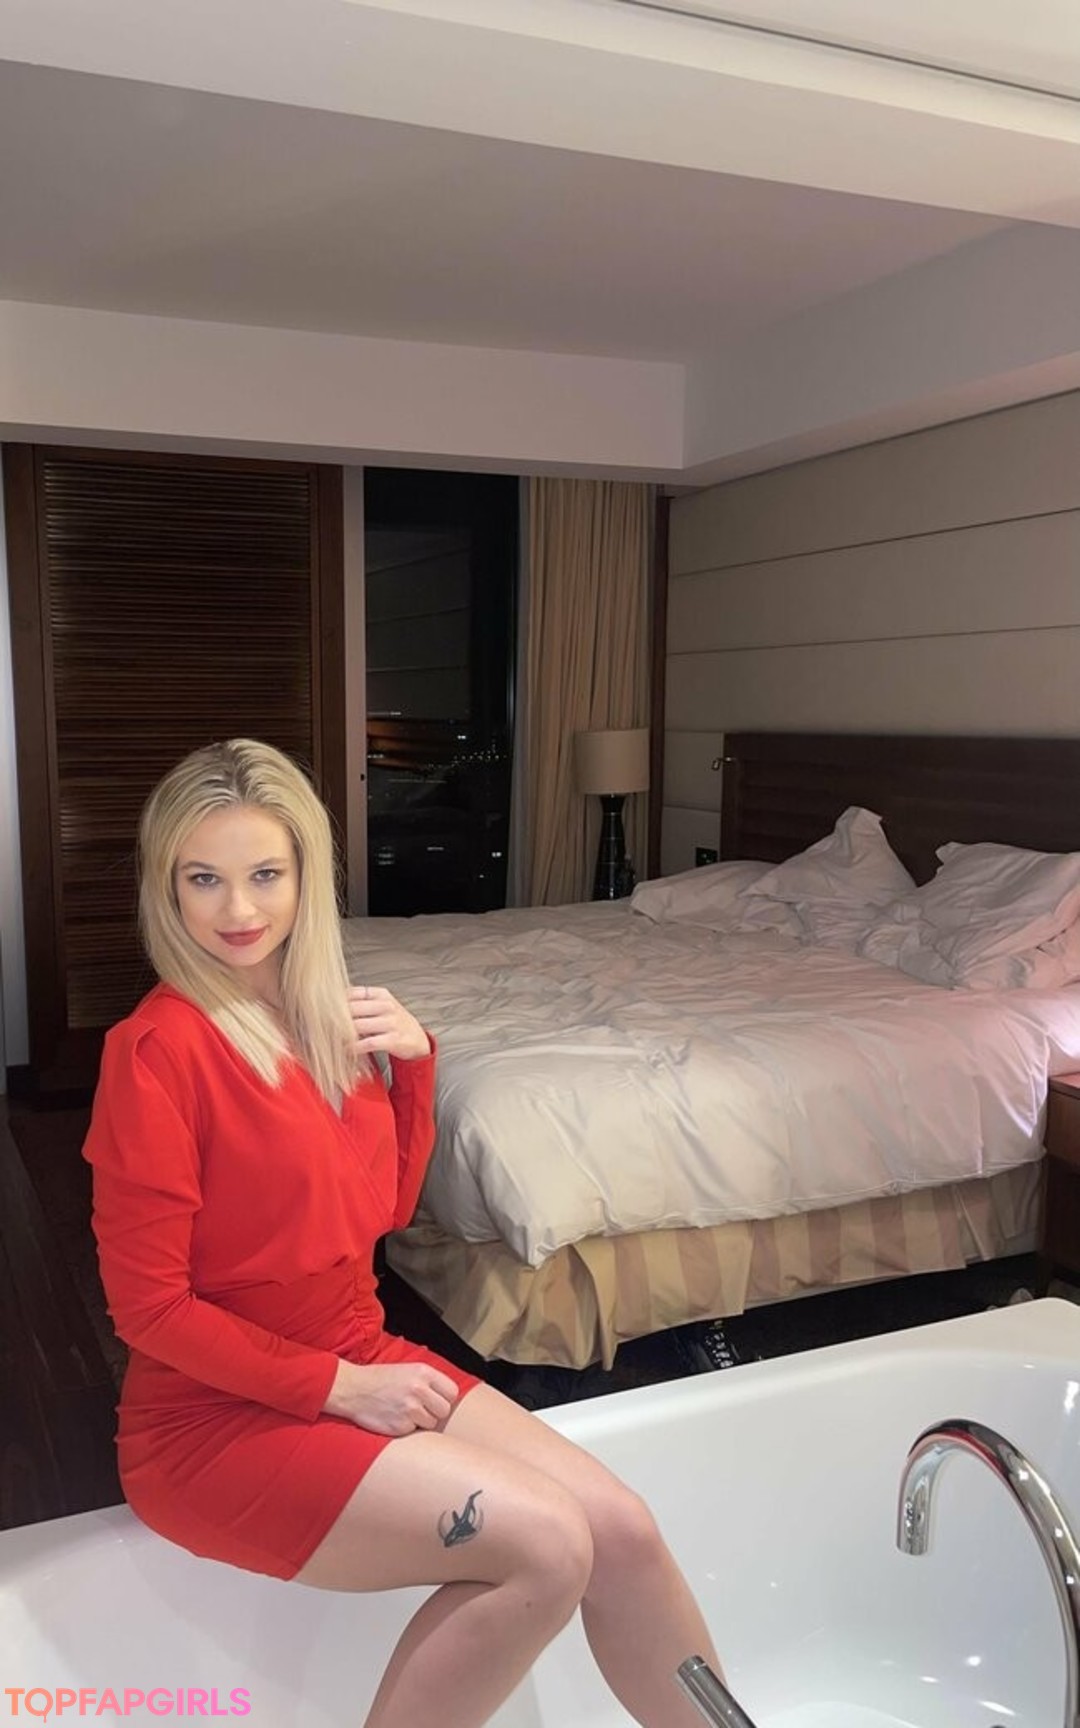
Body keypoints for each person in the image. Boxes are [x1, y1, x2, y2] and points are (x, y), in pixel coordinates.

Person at [84, 737, 724, 1728]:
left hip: (356, 1352)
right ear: (167, 889)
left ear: (307, 877)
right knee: (549, 1548)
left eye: (265, 875)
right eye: (203, 879)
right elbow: (149, 1311)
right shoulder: (155, 1053)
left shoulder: (320, 1019)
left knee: (623, 1532)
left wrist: (416, 1065)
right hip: (213, 1421)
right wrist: (340, 1389)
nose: (238, 910)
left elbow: (377, 1212)